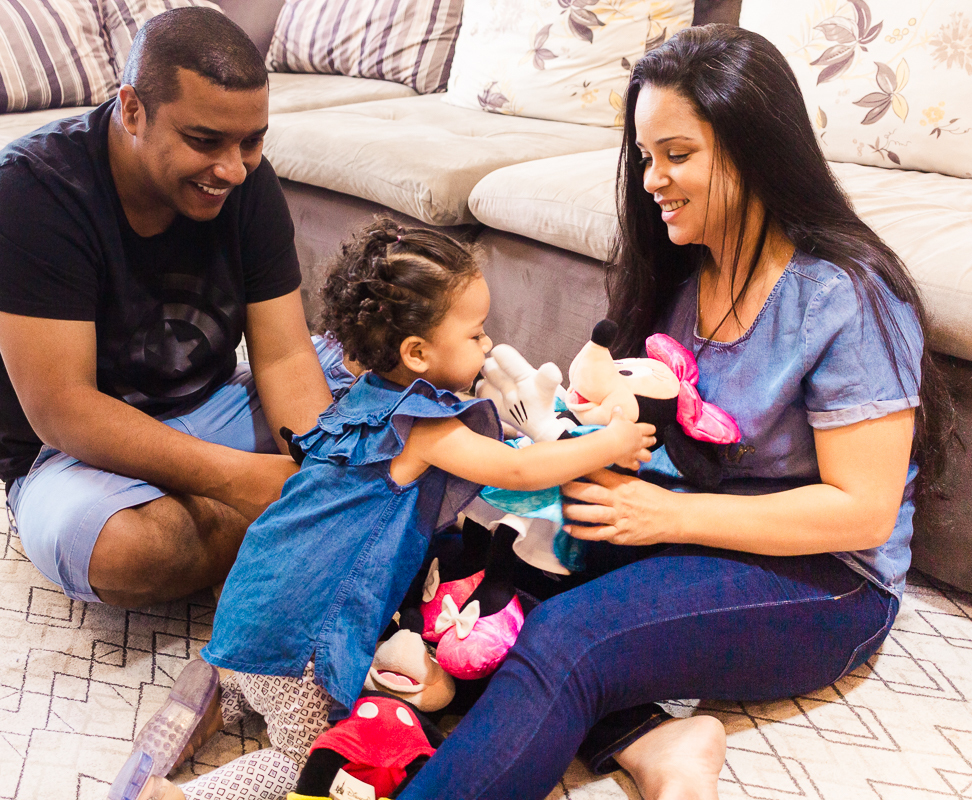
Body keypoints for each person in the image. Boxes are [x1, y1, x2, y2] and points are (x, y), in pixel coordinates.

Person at [393, 24, 955, 800]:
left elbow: (861, 513)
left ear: (756, 149)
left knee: (566, 640)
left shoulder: (845, 297)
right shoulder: (681, 274)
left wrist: (662, 518)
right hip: (697, 519)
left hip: (830, 582)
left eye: (678, 155)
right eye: (647, 156)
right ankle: (654, 740)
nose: (653, 178)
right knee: (467, 570)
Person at [111, 220, 656, 800]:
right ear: (417, 353)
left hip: (250, 602)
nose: (490, 346)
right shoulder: (422, 426)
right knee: (305, 760)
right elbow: (516, 470)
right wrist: (608, 444)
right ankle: (178, 796)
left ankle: (230, 688)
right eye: (476, 335)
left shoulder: (355, 407)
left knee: (259, 679)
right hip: (298, 637)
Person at [0, 8, 332, 609]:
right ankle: (302, 524)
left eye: (251, 141)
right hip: (70, 454)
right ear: (133, 110)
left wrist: (321, 462)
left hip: (210, 406)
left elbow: (285, 354)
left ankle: (290, 514)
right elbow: (64, 410)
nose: (232, 169)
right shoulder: (30, 192)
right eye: (204, 141)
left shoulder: (245, 181)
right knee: (132, 550)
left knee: (396, 392)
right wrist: (242, 480)